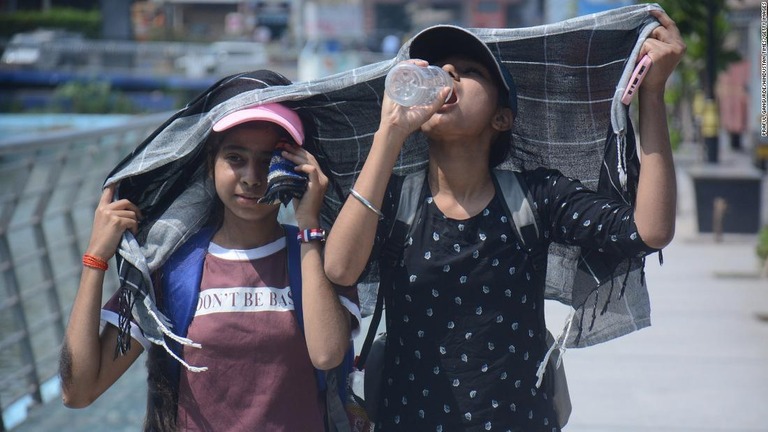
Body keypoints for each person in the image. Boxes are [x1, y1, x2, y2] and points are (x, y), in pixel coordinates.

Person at [324, 10, 684, 432]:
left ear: (502, 117)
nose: (448, 75)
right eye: (440, 70)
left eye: (469, 71)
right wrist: (390, 133)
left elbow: (649, 230)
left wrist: (653, 94)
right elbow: (340, 267)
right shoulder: (395, 200)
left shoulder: (535, 197)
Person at [59, 71, 360, 431]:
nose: (251, 177)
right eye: (235, 158)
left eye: (268, 161)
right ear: (210, 164)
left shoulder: (324, 261)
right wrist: (95, 260)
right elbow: (78, 391)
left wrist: (309, 224)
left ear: (297, 166)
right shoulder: (169, 267)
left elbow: (327, 354)